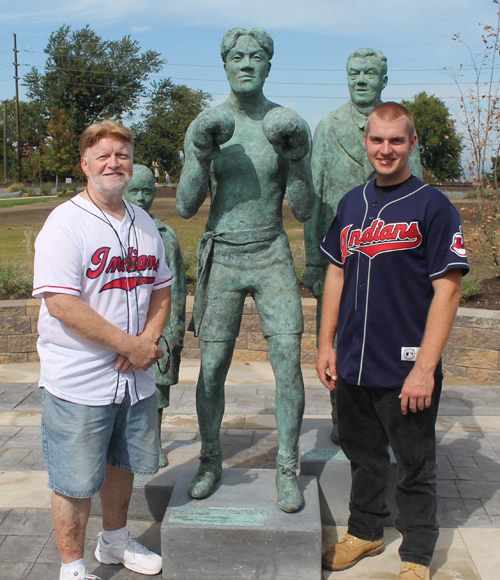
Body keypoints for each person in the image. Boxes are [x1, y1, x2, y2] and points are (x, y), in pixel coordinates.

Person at [316, 102, 468, 580]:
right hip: (354, 361)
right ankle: (365, 532)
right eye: (378, 140)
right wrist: (325, 344)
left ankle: (417, 555)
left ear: (412, 143)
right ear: (366, 142)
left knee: (414, 464)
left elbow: (450, 289)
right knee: (362, 456)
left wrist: (425, 367)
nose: (386, 149)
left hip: (406, 367)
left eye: (396, 140)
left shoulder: (432, 206)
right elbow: (336, 273)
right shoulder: (351, 203)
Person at [177, 28, 314, 513]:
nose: (247, 64)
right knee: (212, 368)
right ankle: (210, 460)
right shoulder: (209, 123)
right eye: (238, 57)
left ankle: (286, 467)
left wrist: (297, 159)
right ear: (225, 64)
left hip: (272, 252)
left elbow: (303, 208)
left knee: (287, 367)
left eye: (257, 57)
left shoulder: (286, 124)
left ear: (269, 65)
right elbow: (188, 205)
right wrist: (200, 153)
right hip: (224, 256)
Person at [33, 120, 173, 580]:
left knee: (122, 464)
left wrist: (147, 342)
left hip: (134, 378)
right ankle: (71, 566)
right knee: (73, 481)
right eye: (103, 155)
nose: (114, 162)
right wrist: (130, 345)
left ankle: (114, 542)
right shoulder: (65, 223)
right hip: (79, 379)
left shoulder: (144, 220)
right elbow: (62, 304)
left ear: (132, 164)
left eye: (123, 154)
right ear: (85, 165)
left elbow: (162, 288)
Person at [303, 49, 423, 444]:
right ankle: (344, 421)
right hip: (343, 253)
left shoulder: (400, 129)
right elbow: (317, 198)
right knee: (338, 341)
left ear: (383, 80)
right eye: (353, 72)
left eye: (370, 73)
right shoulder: (328, 127)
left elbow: (418, 193)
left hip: (390, 256)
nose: (360, 80)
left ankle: (392, 417)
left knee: (389, 333)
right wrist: (314, 263)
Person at [124, 164, 186, 468]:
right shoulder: (109, 228)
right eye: (134, 190)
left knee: (158, 388)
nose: (141, 197)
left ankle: (154, 440)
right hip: (121, 326)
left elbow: (177, 285)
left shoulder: (165, 234)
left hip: (157, 324)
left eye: (147, 191)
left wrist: (173, 331)